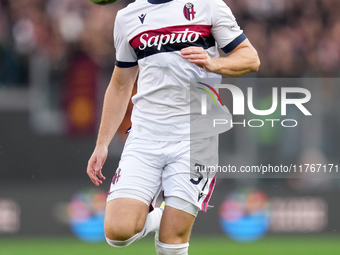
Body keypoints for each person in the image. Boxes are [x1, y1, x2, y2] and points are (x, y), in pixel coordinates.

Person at [86, 0, 260, 254]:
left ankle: (168, 220)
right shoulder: (127, 17)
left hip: (196, 137)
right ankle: (157, 217)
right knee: (118, 232)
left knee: (172, 241)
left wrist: (215, 64)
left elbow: (250, 58)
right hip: (145, 135)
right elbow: (121, 84)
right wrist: (102, 144)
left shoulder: (208, 6)